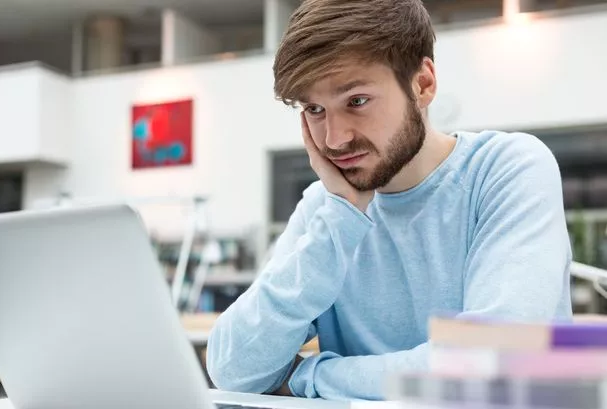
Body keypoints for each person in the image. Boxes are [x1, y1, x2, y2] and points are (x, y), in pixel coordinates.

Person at [206, 0, 572, 401]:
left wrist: (310, 378)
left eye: (357, 101)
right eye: (314, 109)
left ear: (423, 84)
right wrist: (341, 221)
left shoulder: (505, 169)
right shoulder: (327, 207)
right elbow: (233, 371)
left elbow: (493, 363)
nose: (334, 139)